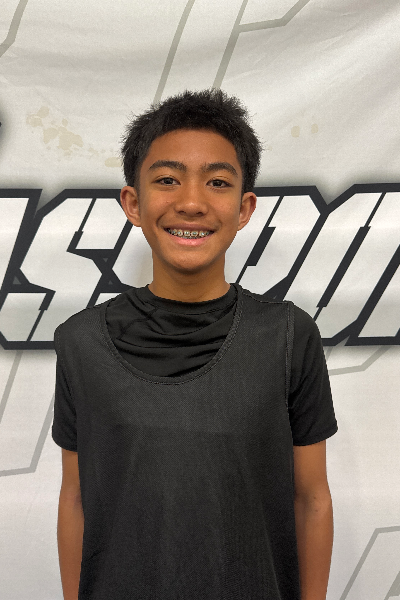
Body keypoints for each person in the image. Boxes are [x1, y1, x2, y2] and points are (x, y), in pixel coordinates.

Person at [52, 89, 338, 600]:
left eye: (217, 182)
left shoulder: (289, 337)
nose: (190, 202)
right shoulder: (80, 342)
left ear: (244, 208)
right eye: (167, 179)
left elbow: (311, 499)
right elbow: (75, 498)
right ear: (133, 203)